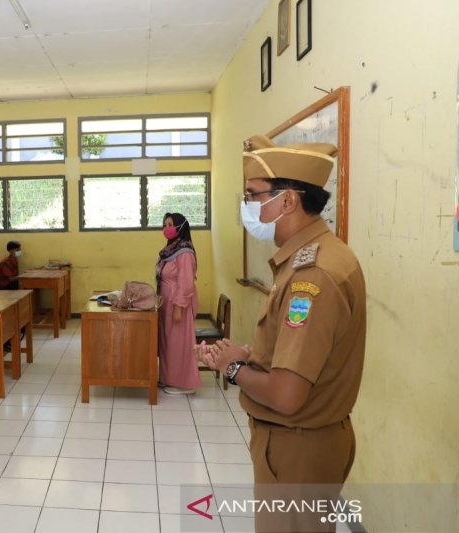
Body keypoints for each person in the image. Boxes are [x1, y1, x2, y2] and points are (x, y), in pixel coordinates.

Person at [199, 134, 366, 532]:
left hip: (297, 447)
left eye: (253, 195)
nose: (247, 206)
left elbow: (288, 395)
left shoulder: (312, 276)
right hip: (304, 444)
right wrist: (248, 356)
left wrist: (232, 369)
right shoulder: (316, 257)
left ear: (288, 200)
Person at [156, 212, 201, 395]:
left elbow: (186, 283)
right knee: (168, 343)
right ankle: (168, 378)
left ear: (180, 228)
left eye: (170, 224)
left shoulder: (185, 253)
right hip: (166, 303)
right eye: (164, 224)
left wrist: (178, 308)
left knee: (179, 344)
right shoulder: (171, 250)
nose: (166, 228)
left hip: (177, 304)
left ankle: (185, 384)